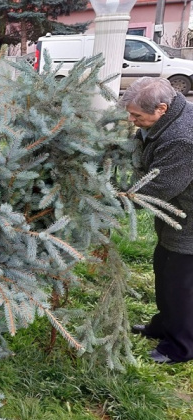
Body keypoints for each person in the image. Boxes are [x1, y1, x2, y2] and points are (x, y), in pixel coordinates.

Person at [119, 77, 193, 364]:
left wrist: (112, 201)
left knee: (180, 283)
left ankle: (180, 347)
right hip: (176, 211)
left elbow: (158, 188)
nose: (131, 119)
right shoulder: (167, 118)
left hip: (188, 217)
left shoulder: (183, 139)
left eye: (137, 115)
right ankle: (164, 325)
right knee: (164, 268)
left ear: (162, 108)